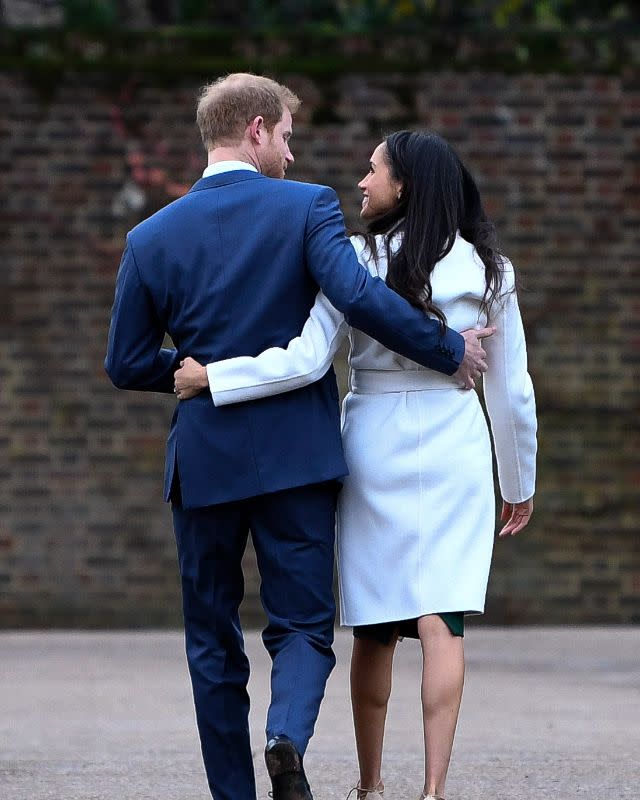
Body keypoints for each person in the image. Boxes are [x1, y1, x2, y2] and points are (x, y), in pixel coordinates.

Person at [104, 74, 493, 800]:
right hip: (296, 459)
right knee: (304, 627)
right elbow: (358, 298)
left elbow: (124, 363)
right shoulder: (307, 206)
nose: (292, 150)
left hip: (205, 462)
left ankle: (234, 794)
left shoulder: (149, 237)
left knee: (210, 637)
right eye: (286, 133)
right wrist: (447, 350)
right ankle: (286, 734)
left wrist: (193, 374)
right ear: (255, 129)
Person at [174, 130, 537, 800]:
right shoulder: (491, 268)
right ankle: (433, 791)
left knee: (374, 623)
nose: (361, 182)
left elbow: (306, 360)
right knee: (442, 617)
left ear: (406, 186)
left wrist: (215, 377)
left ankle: (369, 786)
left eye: (373, 171)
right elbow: (511, 391)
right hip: (456, 441)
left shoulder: (354, 261)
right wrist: (518, 483)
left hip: (372, 439)